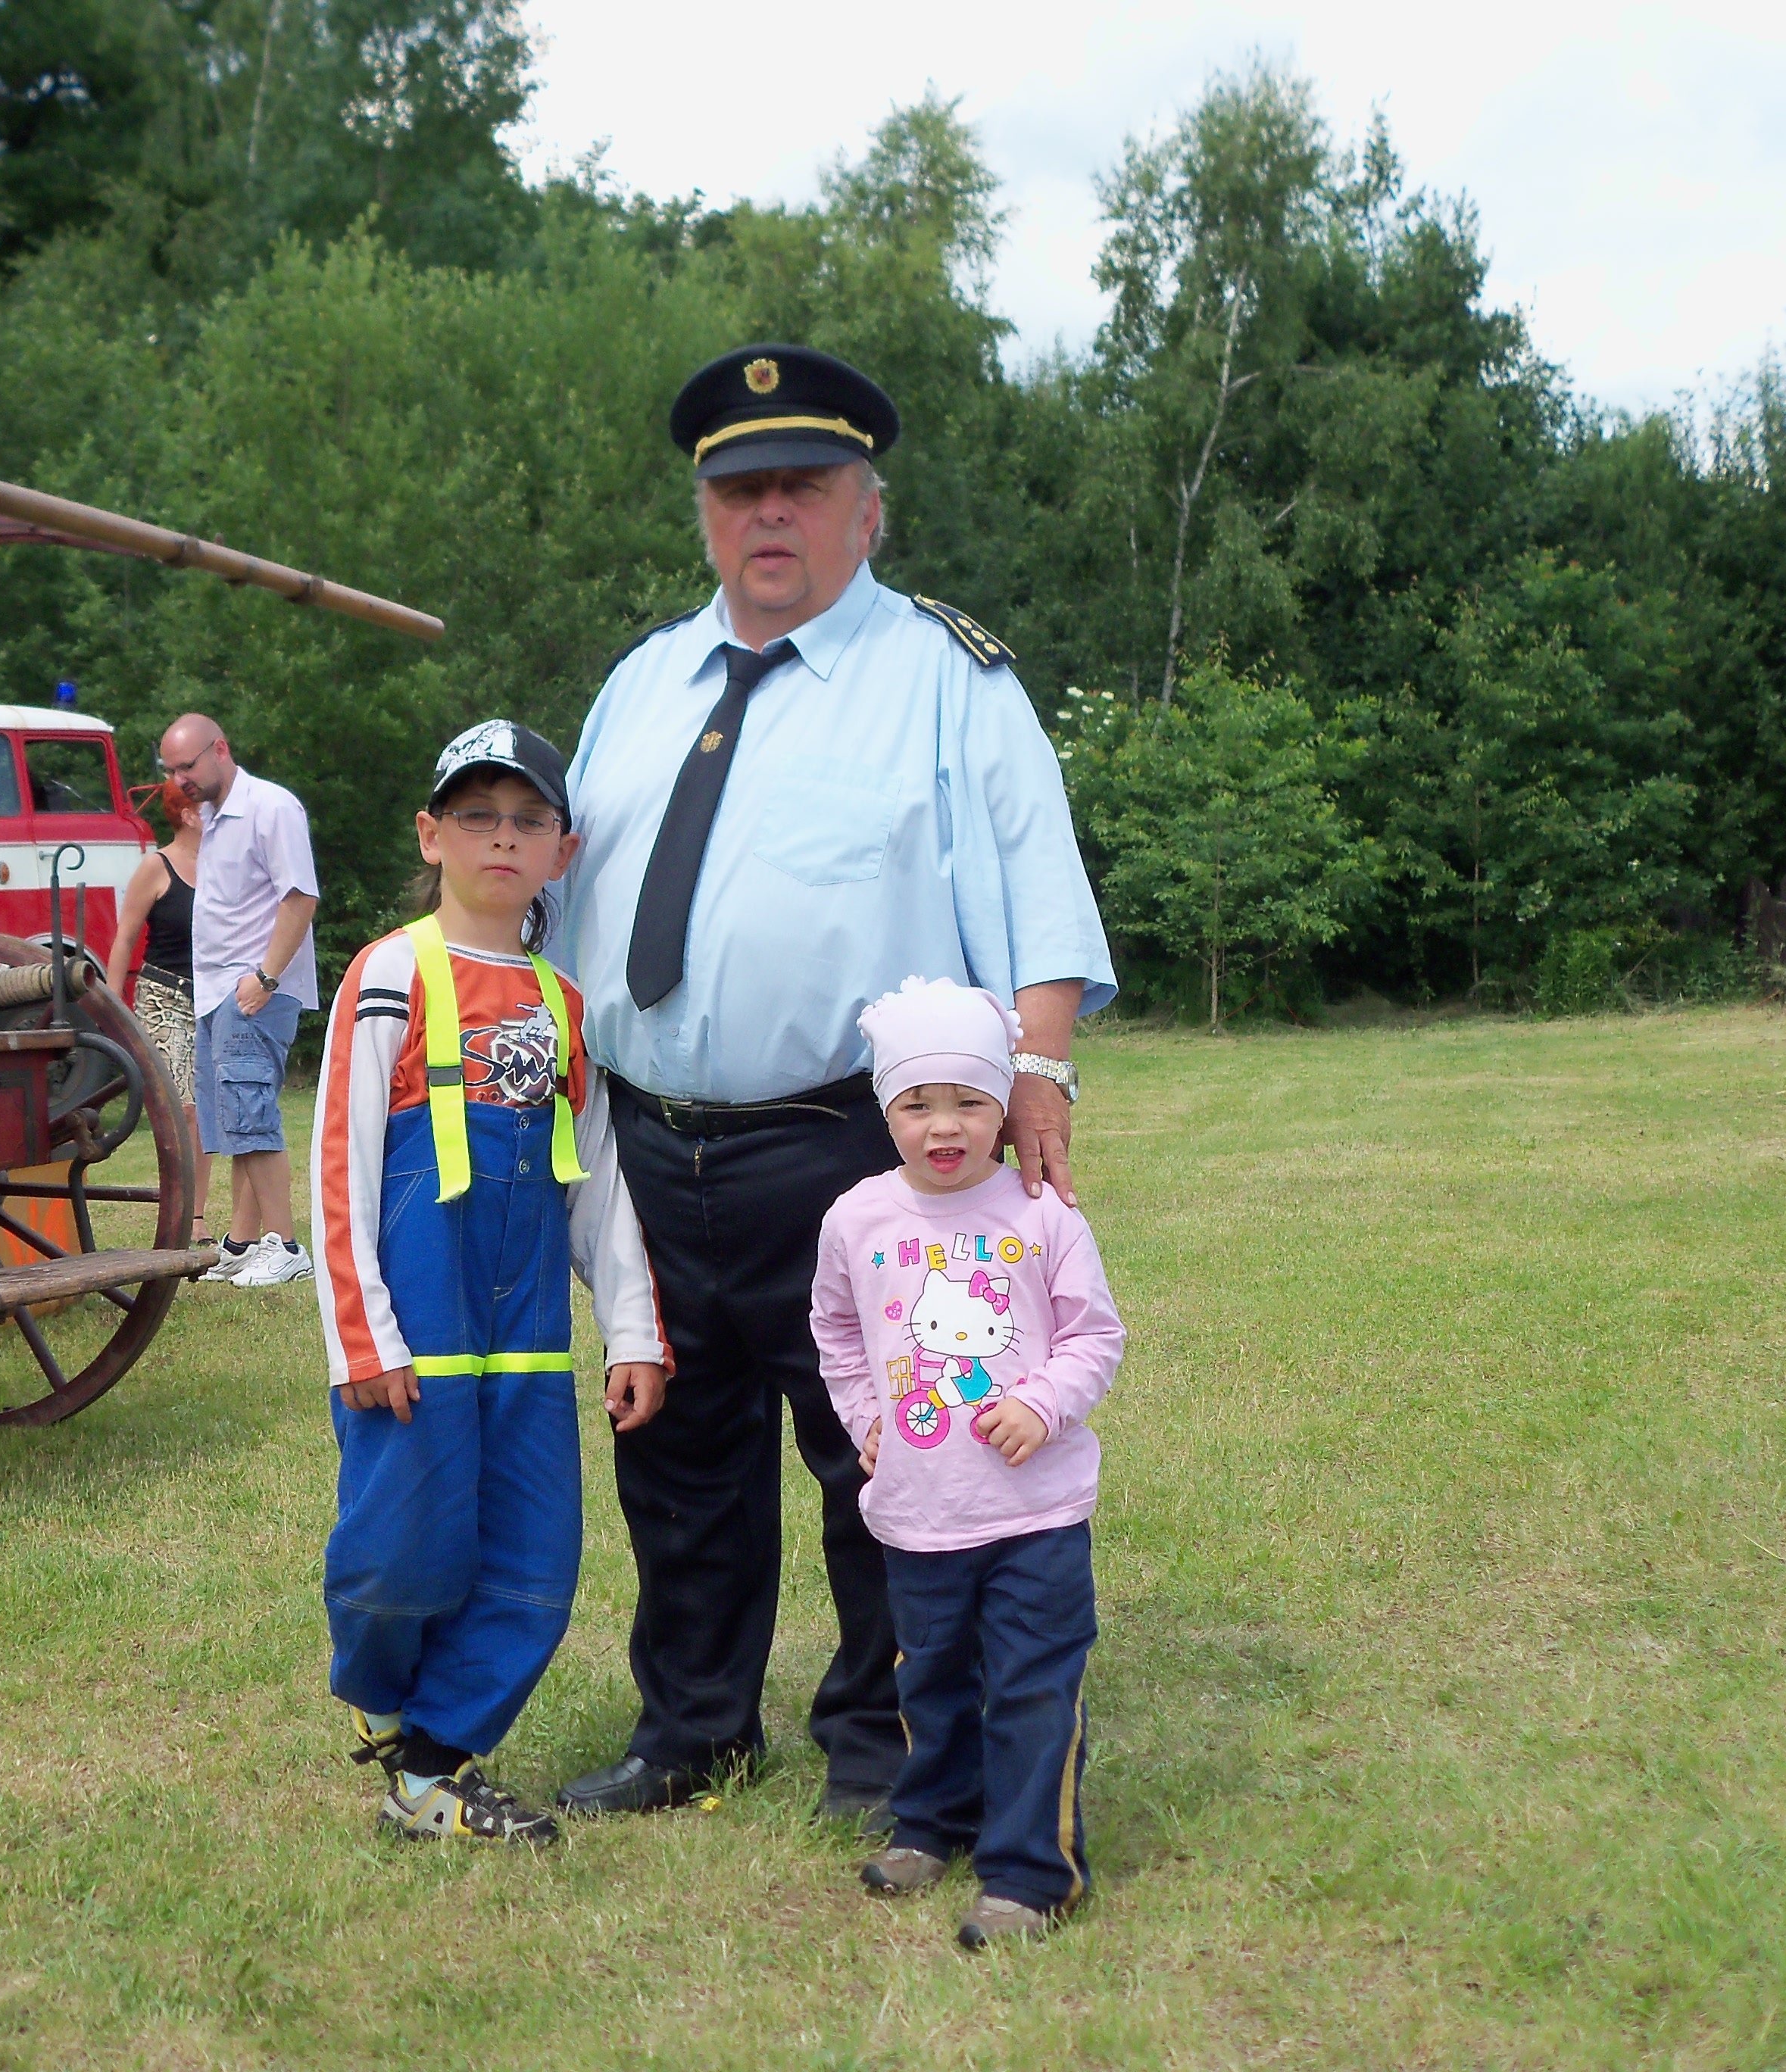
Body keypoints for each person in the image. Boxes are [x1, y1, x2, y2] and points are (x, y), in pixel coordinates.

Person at [552, 343, 1116, 1826]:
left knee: (895, 1451)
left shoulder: (947, 680)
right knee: (673, 1456)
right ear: (704, 513)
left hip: (855, 1149)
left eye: (803, 485)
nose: (769, 515)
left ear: (870, 509)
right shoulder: (640, 685)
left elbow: (1039, 890)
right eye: (740, 490)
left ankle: (889, 1740)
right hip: (646, 1144)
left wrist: (1041, 1070)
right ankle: (693, 1732)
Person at [309, 720, 670, 1843]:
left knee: (533, 1558)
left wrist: (632, 1331)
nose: (502, 840)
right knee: (401, 1549)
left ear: (564, 851)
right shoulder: (389, 973)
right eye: (478, 817)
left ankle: (432, 1766)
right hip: (417, 1333)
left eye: (528, 821)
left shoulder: (566, 1007)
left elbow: (601, 1186)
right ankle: (384, 1698)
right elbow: (342, 1161)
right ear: (432, 834)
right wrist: (362, 1335)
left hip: (525, 1342)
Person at [811, 978, 1122, 1949]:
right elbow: (837, 1332)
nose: (944, 1126)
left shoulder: (1042, 1214)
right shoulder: (856, 1218)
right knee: (930, 1678)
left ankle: (1032, 1874)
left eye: (970, 1102)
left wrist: (1040, 1402)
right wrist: (865, 1417)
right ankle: (930, 1824)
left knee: (1032, 1685)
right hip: (920, 1512)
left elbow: (1094, 1335)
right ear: (886, 1110)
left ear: (1003, 1107)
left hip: (1036, 1513)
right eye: (917, 1104)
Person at [156, 713, 319, 1290]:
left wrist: (266, 977)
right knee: (232, 1121)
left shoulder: (271, 808)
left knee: (251, 1116)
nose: (180, 780)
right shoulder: (214, 820)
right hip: (218, 991)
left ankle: (287, 1246)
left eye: (188, 766)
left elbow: (300, 897)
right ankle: (245, 1244)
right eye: (171, 770)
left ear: (220, 749)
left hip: (252, 989)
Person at [110, 779, 209, 1243]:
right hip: (163, 996)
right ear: (188, 814)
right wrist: (111, 1010)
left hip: (211, 997)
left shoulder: (224, 866)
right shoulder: (157, 866)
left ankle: (197, 1217)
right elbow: (125, 937)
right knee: (184, 1110)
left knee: (206, 1113)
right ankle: (181, 1216)